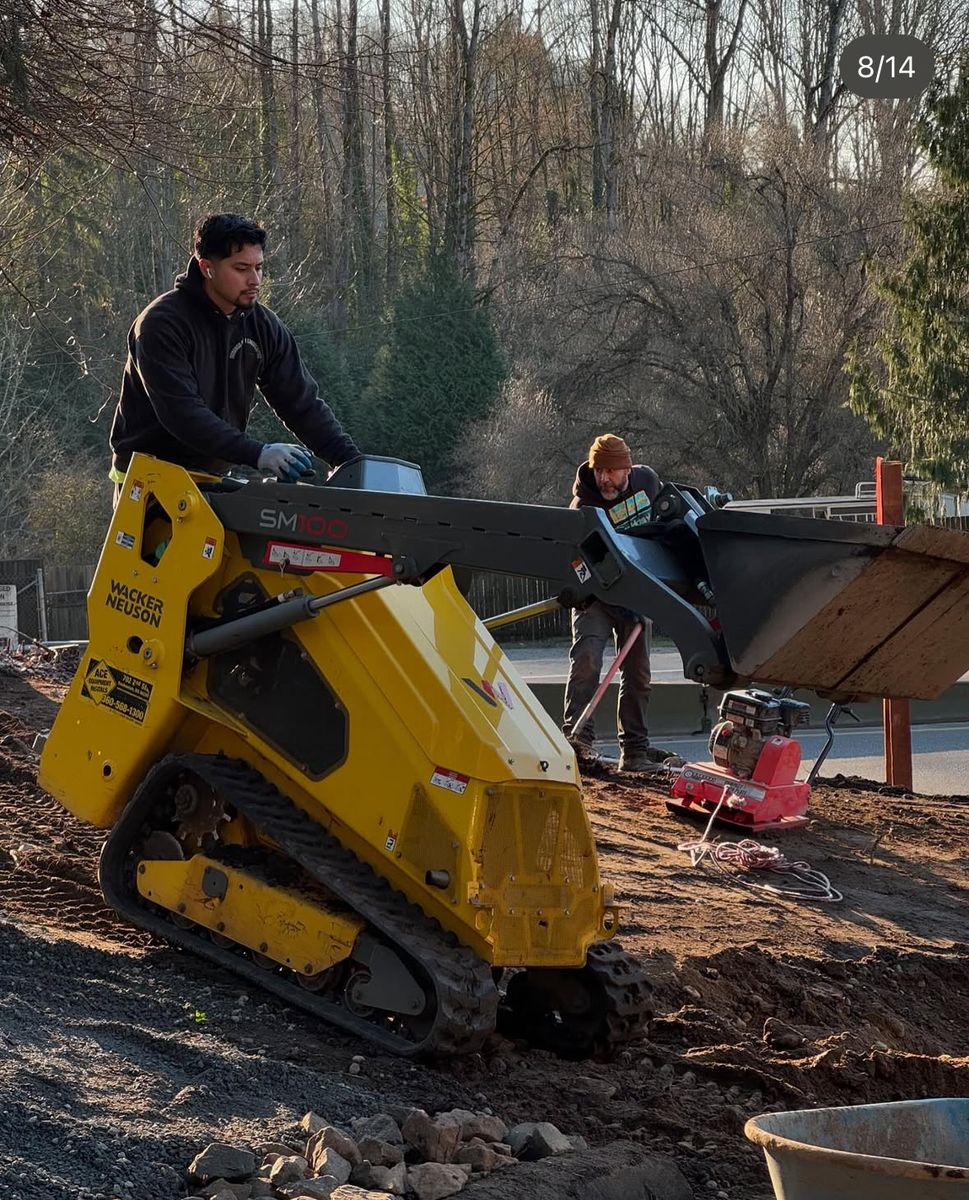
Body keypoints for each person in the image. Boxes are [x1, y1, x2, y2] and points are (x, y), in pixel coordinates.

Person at [108, 212, 359, 490]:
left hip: (212, 479)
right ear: (207, 268)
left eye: (259, 268)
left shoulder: (264, 326)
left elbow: (302, 405)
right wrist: (258, 453)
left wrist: (354, 465)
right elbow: (182, 414)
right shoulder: (160, 325)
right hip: (148, 480)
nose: (255, 280)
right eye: (241, 269)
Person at [562, 433, 668, 773]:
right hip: (596, 594)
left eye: (611, 471)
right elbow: (572, 560)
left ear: (627, 469)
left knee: (638, 674)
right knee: (587, 659)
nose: (604, 478)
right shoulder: (583, 507)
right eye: (599, 470)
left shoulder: (648, 483)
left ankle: (634, 753)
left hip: (638, 591)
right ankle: (577, 743)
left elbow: (666, 523)